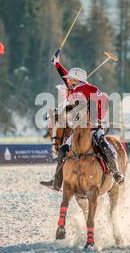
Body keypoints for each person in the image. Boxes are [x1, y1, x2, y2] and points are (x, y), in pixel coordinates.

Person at [40, 53, 124, 191]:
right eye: (69, 80)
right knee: (62, 150)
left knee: (103, 145)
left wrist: (95, 117)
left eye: (71, 79)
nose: (69, 81)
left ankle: (116, 173)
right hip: (78, 129)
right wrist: (56, 64)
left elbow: (104, 101)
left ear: (77, 79)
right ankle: (56, 182)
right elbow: (64, 76)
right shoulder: (73, 89)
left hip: (94, 127)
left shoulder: (91, 89)